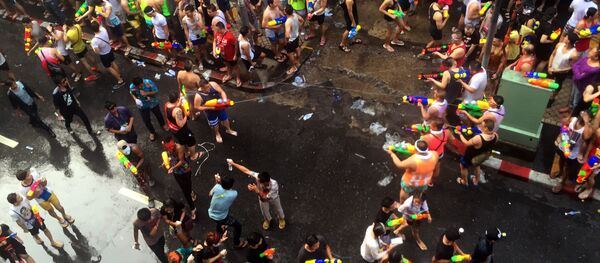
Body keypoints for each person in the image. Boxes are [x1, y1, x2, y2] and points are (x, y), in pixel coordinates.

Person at [227, 159, 286, 230]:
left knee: (278, 209)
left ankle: (281, 219)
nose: (258, 181)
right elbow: (246, 170)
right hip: (261, 197)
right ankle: (268, 220)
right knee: (264, 211)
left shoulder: (274, 185)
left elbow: (264, 197)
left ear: (266, 182)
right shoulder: (258, 177)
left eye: (260, 182)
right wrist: (233, 163)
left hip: (273, 198)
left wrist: (257, 191)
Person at [551, 110, 593, 193]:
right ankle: (560, 172)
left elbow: (587, 137)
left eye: (585, 115)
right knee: (561, 160)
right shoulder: (573, 119)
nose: (583, 115)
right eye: (583, 113)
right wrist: (559, 137)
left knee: (567, 167)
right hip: (564, 146)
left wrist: (586, 122)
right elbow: (564, 127)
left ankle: (562, 182)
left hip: (573, 151)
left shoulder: (587, 128)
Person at [162, 135, 197, 219]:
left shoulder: (179, 148)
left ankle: (193, 209)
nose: (169, 148)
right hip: (176, 171)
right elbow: (168, 155)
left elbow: (181, 161)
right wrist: (166, 161)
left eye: (171, 146)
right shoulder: (164, 145)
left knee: (186, 191)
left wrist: (173, 167)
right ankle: (191, 192)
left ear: (173, 142)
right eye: (168, 147)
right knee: (183, 187)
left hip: (184, 170)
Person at [208, 174, 247, 248]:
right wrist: (219, 183)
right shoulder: (234, 193)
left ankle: (220, 231)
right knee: (238, 226)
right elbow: (226, 192)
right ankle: (237, 243)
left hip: (211, 213)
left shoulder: (217, 187)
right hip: (222, 217)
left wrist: (217, 183)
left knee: (219, 222)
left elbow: (210, 194)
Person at [457, 119, 498, 186]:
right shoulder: (496, 135)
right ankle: (476, 181)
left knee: (463, 167)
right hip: (481, 155)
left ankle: (464, 182)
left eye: (482, 126)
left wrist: (460, 134)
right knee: (477, 166)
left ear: (486, 128)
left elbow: (466, 143)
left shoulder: (478, 138)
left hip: (470, 156)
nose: (480, 126)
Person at [89, 21, 126, 90]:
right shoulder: (103, 29)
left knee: (109, 67)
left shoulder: (94, 41)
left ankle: (120, 80)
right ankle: (119, 74)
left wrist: (92, 47)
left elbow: (97, 52)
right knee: (113, 62)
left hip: (104, 55)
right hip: (109, 50)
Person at [165, 92, 200, 160]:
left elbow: (174, 107)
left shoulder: (167, 104)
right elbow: (180, 124)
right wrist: (186, 116)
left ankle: (186, 153)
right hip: (182, 131)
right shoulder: (178, 111)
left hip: (174, 130)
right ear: (177, 99)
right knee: (191, 140)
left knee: (182, 142)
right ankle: (193, 156)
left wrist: (178, 103)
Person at [130, 77, 167, 141]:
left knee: (158, 114)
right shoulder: (132, 86)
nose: (139, 87)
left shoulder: (148, 82)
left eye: (141, 85)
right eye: (138, 86)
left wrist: (146, 93)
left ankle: (163, 125)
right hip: (142, 105)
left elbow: (156, 91)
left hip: (153, 102)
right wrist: (135, 99)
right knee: (146, 120)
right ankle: (152, 132)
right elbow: (131, 93)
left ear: (142, 82)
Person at [547, 32, 580, 106]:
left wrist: (557, 71)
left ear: (568, 40)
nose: (564, 37)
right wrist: (549, 66)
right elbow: (553, 54)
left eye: (566, 37)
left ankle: (552, 98)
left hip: (561, 73)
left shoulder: (574, 54)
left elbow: (571, 67)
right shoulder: (559, 45)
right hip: (551, 68)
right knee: (547, 82)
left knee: (557, 86)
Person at [421, 118, 454, 186]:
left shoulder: (427, 137)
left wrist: (422, 134)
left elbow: (421, 146)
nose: (429, 125)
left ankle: (423, 180)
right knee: (437, 168)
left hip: (430, 155)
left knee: (426, 168)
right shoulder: (447, 132)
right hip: (439, 154)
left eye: (431, 125)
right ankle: (431, 181)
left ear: (435, 127)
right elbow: (452, 140)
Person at [571, 46, 600, 113]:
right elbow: (575, 65)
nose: (589, 51)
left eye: (592, 51)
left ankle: (572, 115)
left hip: (582, 87)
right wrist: (579, 72)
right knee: (572, 97)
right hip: (575, 82)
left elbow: (580, 77)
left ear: (596, 57)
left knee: (576, 102)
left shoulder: (596, 68)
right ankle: (569, 108)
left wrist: (578, 71)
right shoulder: (586, 58)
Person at [182, 4, 211, 70]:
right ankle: (200, 62)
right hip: (193, 35)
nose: (187, 15)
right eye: (186, 13)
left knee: (203, 47)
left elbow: (202, 26)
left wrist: (194, 20)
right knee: (196, 50)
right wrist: (189, 41)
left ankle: (207, 58)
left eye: (188, 13)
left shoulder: (198, 15)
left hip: (201, 33)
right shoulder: (184, 19)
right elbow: (186, 31)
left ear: (192, 11)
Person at [213, 21, 241, 86]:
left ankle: (238, 78)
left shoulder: (230, 36)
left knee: (235, 67)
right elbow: (214, 41)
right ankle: (229, 75)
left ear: (221, 28)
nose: (216, 31)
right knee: (227, 65)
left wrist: (235, 55)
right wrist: (214, 51)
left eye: (217, 29)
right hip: (223, 55)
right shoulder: (217, 33)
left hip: (231, 56)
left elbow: (236, 44)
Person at [534, 8, 558, 72]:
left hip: (536, 44)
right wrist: (551, 41)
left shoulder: (541, 21)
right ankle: (536, 74)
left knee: (536, 58)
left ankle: (530, 70)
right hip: (543, 47)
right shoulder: (548, 27)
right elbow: (542, 40)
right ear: (553, 15)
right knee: (544, 61)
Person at [284, 6, 303, 75]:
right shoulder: (295, 15)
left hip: (291, 40)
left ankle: (293, 67)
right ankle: (297, 61)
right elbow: (301, 20)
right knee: (297, 48)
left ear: (285, 12)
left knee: (290, 54)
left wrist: (286, 41)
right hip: (296, 36)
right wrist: (299, 29)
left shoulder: (288, 22)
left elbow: (287, 35)